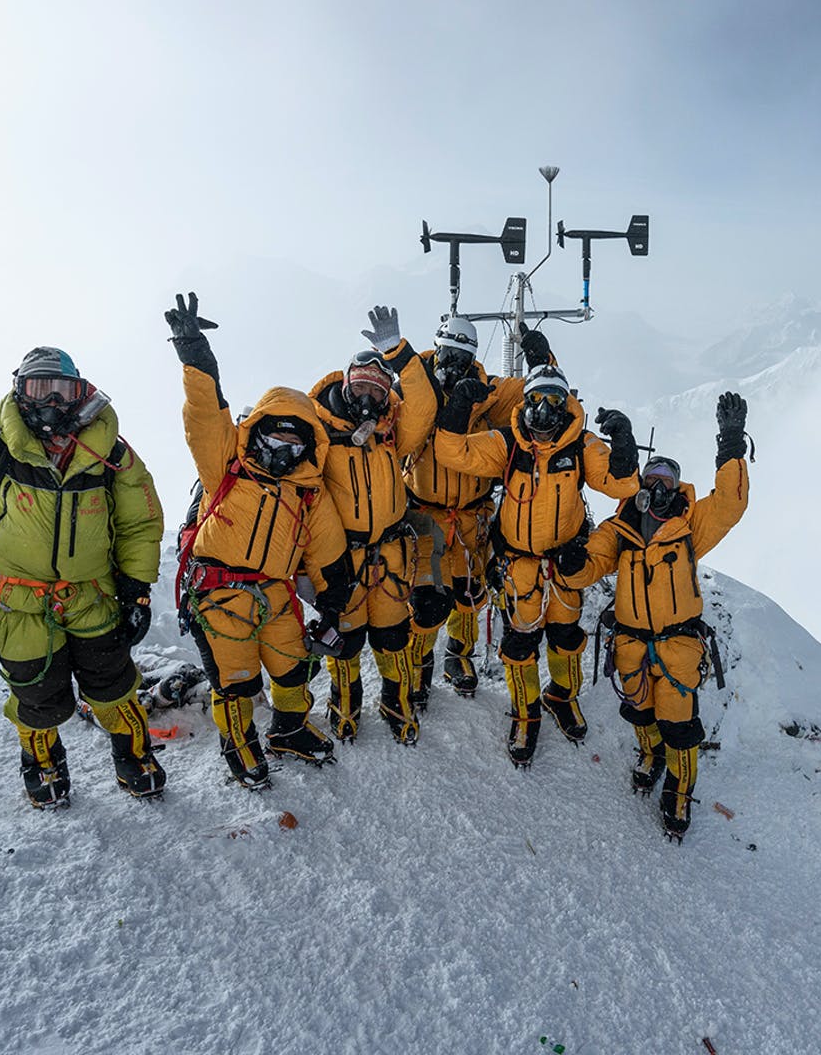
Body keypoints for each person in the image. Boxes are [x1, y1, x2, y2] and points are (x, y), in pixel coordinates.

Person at [165, 293, 353, 788]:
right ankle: (240, 745)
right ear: (258, 432)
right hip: (219, 590)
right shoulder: (226, 463)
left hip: (275, 592)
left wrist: (332, 605)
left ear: (309, 447)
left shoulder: (307, 494)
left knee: (293, 669)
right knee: (237, 682)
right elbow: (205, 416)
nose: (283, 450)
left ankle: (289, 730)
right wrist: (196, 357)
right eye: (274, 437)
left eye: (295, 443)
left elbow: (328, 554)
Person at [555, 392, 750, 840]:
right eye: (652, 478)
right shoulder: (618, 528)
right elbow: (591, 565)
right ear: (640, 485)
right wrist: (571, 562)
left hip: (678, 646)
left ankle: (679, 792)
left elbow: (730, 505)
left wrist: (731, 445)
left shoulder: (690, 527)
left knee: (679, 724)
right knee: (640, 711)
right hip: (630, 643)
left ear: (677, 487)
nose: (659, 487)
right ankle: (650, 755)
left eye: (668, 479)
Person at [434, 364, 639, 766]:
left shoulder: (580, 447)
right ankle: (525, 714)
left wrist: (624, 442)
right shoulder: (508, 443)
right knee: (520, 644)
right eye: (535, 399)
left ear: (566, 406)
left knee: (566, 638)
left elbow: (622, 484)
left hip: (564, 565)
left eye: (553, 401)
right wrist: (459, 406)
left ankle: (561, 696)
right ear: (524, 402)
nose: (543, 411)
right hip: (518, 568)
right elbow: (452, 451)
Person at [0, 346, 165, 807]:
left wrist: (136, 590)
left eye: (60, 389)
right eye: (38, 388)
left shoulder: (111, 452)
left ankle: (134, 756)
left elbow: (138, 523)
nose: (50, 400)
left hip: (93, 596)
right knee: (37, 696)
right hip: (16, 603)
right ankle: (43, 763)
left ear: (79, 393)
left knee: (112, 685)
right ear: (19, 392)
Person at [402, 316, 553, 709]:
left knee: (469, 591)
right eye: (448, 355)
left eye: (462, 359)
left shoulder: (489, 394)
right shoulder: (418, 392)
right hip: (426, 513)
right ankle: (418, 664)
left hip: (473, 513)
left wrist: (539, 359)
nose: (453, 367)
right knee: (428, 597)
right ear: (436, 351)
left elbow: (542, 393)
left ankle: (459, 655)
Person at [307, 305, 437, 743]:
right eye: (360, 385)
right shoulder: (321, 434)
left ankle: (395, 702)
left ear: (387, 396)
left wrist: (398, 354)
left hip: (390, 554)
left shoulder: (392, 435)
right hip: (341, 558)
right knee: (344, 640)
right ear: (344, 386)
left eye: (378, 388)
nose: (367, 396)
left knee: (392, 636)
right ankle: (345, 703)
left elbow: (423, 405)